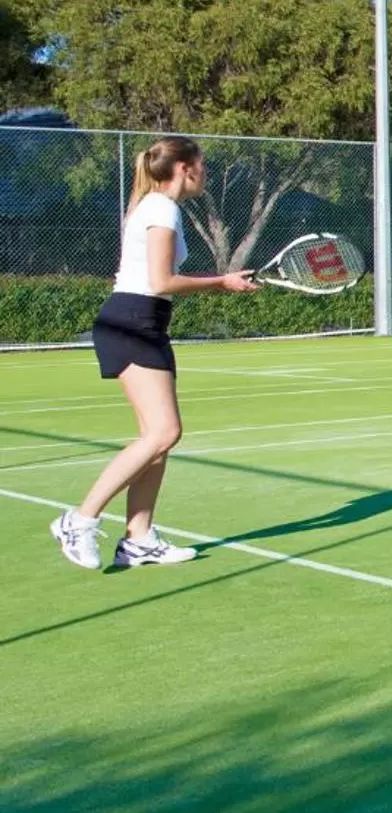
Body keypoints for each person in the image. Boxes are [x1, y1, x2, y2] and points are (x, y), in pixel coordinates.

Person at [49, 136, 258, 570]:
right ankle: (79, 519)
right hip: (134, 321)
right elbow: (162, 281)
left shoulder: (153, 206)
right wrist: (222, 282)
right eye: (202, 163)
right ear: (185, 167)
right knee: (163, 433)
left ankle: (139, 539)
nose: (206, 171)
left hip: (143, 320)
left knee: (157, 441)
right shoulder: (162, 208)